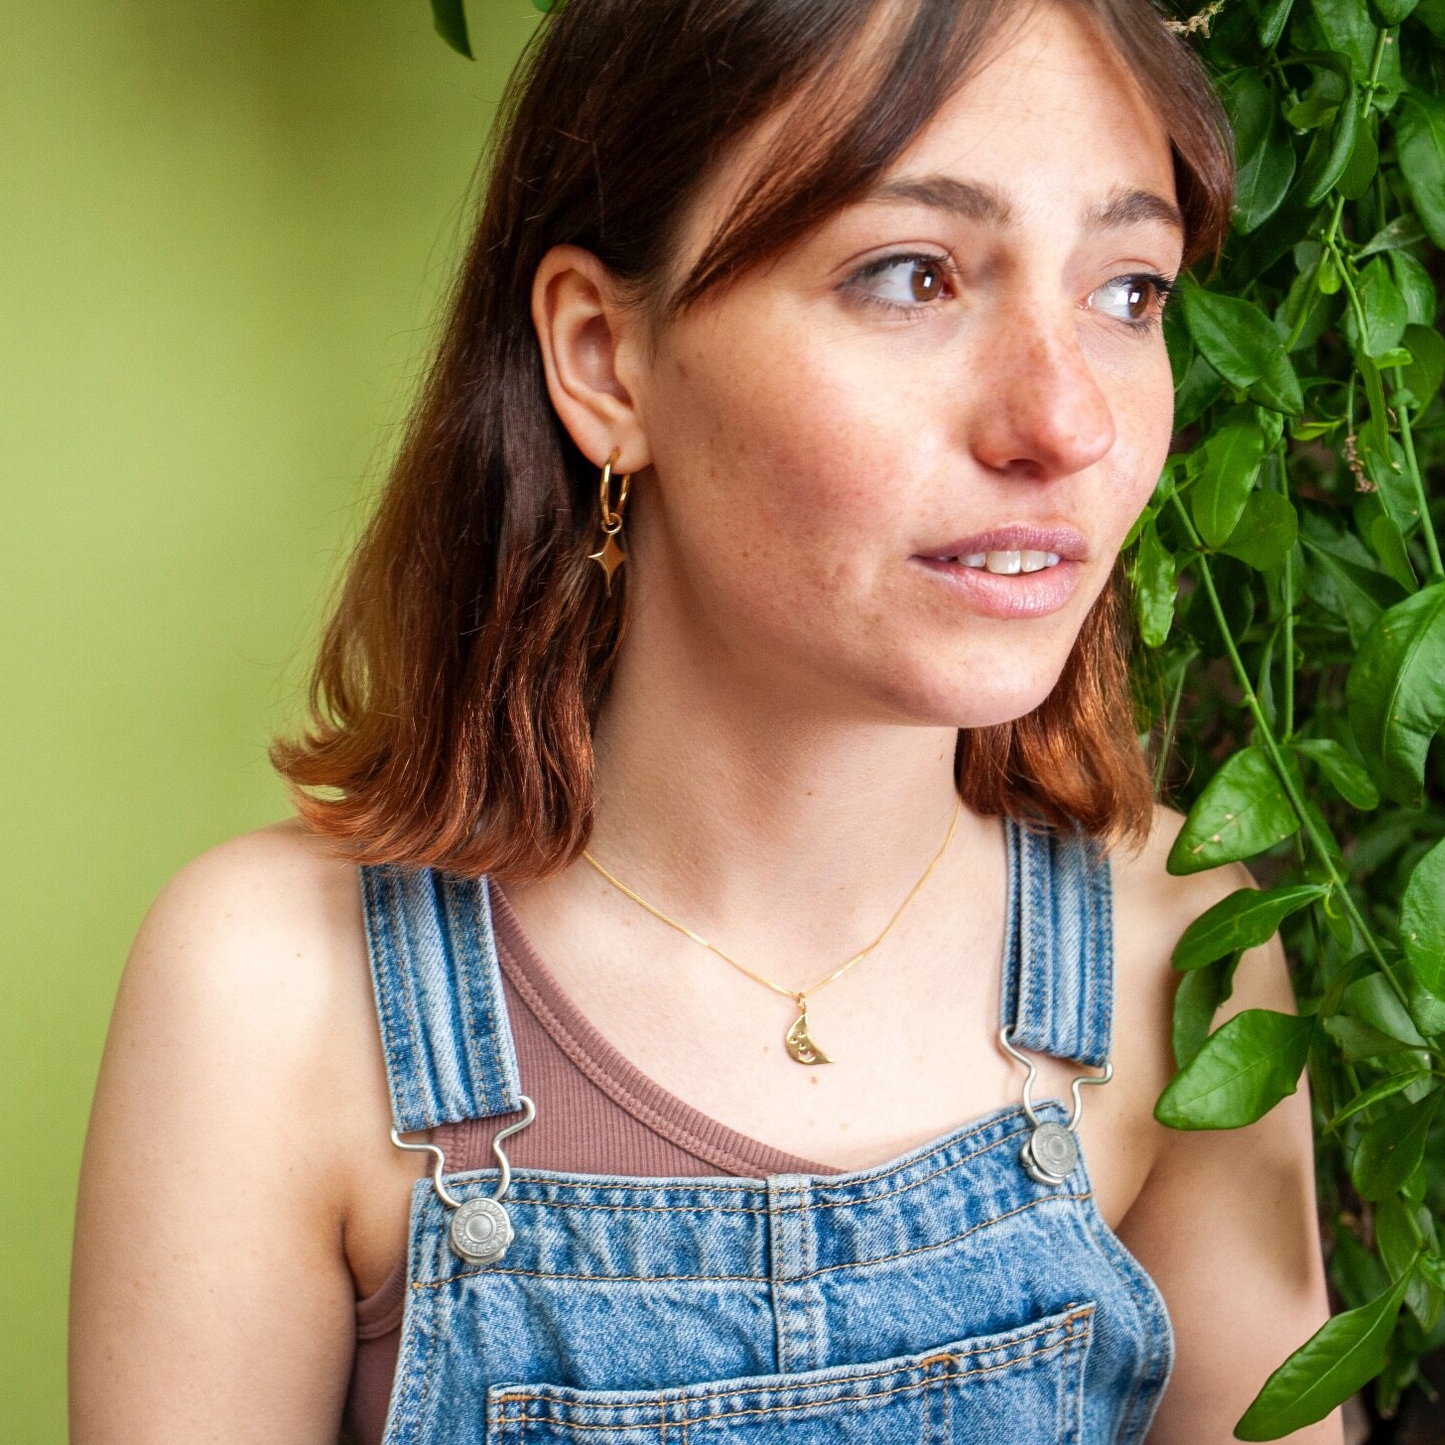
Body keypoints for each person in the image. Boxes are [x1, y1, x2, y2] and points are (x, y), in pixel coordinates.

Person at [70, 0, 1346, 1441]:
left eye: (1128, 292)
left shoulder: (1174, 945)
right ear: (606, 362)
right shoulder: (277, 1000)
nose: (1066, 424)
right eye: (913, 274)